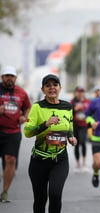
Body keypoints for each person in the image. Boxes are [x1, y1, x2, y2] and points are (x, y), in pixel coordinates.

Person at [24, 74, 77, 213]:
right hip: (39, 161)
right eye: (48, 85)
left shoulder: (67, 106)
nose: (52, 88)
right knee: (40, 199)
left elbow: (69, 126)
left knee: (55, 194)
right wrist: (45, 124)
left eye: (55, 85)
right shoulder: (37, 107)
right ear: (43, 89)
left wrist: (71, 137)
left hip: (60, 160)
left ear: (60, 87)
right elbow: (27, 132)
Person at [0, 66, 31, 202]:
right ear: (2, 77)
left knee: (10, 160)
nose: (9, 78)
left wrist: (24, 116)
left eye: (12, 76)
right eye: (7, 76)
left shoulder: (21, 92)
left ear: (15, 78)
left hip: (13, 131)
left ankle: (5, 192)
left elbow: (28, 107)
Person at [70, 86, 91, 172]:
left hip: (84, 125)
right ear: (75, 93)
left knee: (83, 143)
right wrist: (75, 109)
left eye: (82, 92)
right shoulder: (72, 102)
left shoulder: (87, 101)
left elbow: (91, 112)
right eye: (79, 92)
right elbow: (68, 114)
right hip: (75, 125)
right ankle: (78, 164)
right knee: (76, 144)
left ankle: (84, 164)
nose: (80, 93)